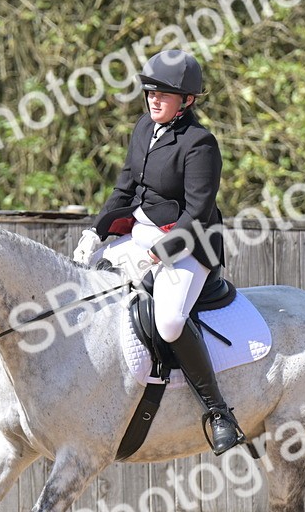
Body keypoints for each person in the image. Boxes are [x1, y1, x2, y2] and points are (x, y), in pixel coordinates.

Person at [72, 49, 244, 454]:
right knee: (89, 285)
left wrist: (159, 254)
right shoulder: (143, 128)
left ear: (188, 100)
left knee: (168, 322)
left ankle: (219, 412)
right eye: (150, 92)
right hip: (140, 232)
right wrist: (96, 232)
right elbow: (124, 189)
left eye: (163, 94)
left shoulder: (200, 144)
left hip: (188, 243)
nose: (154, 99)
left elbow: (197, 212)